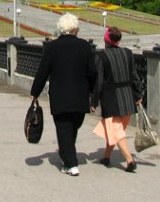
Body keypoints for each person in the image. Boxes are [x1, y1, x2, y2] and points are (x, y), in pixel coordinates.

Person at [30, 13, 97, 177]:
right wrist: (93, 93)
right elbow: (93, 72)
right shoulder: (84, 46)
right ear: (75, 29)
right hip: (80, 95)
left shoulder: (52, 47)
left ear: (61, 28)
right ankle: (69, 158)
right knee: (73, 125)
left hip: (59, 95)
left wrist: (35, 92)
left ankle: (70, 163)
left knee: (64, 127)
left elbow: (43, 72)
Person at [91, 26, 141, 172]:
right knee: (117, 129)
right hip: (127, 95)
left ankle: (129, 160)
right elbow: (134, 76)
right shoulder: (128, 53)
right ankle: (107, 156)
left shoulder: (101, 56)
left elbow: (98, 81)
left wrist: (94, 101)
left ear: (106, 39)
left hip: (111, 96)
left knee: (116, 129)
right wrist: (138, 96)